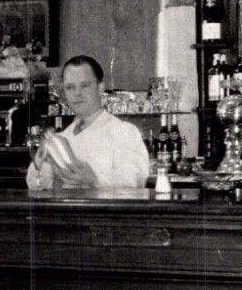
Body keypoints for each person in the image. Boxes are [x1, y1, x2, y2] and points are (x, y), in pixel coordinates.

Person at [26, 56, 151, 191]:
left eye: (85, 86)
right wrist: (45, 165)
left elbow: (135, 180)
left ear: (100, 88)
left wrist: (95, 179)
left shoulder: (123, 131)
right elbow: (33, 183)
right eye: (70, 87)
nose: (77, 93)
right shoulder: (62, 138)